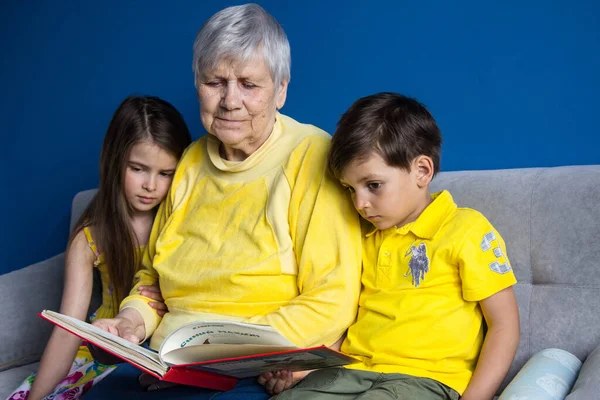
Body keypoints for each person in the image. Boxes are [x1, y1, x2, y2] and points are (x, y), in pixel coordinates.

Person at [85, 4, 362, 400]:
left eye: (249, 84)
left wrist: (217, 359)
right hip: (166, 360)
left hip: (257, 367)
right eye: (215, 82)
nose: (230, 101)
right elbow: (151, 282)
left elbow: (332, 300)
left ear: (281, 90)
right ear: (197, 82)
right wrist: (129, 323)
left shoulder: (312, 155)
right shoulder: (190, 161)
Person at [262, 92, 520, 400]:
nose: (360, 203)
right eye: (350, 188)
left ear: (422, 171)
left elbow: (505, 327)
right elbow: (357, 322)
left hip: (424, 380)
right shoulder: (361, 235)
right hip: (349, 372)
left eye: (373, 185)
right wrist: (305, 368)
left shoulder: (466, 229)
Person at [7, 95, 192, 400]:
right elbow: (69, 327)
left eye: (165, 173)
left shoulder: (182, 220)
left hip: (160, 346)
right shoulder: (92, 236)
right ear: (115, 160)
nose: (150, 185)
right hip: (104, 349)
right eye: (138, 168)